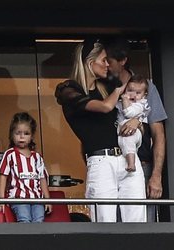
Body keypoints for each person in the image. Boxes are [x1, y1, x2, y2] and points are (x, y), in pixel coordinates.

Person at [55, 39, 147, 222]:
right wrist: (120, 90)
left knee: (137, 220)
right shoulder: (68, 89)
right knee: (105, 222)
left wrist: (137, 122)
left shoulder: (107, 87)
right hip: (101, 160)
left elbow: (136, 120)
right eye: (104, 60)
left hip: (128, 155)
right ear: (90, 62)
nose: (107, 65)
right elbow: (104, 107)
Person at [104, 38, 167, 222]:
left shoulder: (146, 88)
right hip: (109, 165)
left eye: (109, 61)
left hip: (142, 164)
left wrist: (156, 176)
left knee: (139, 229)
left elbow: (158, 133)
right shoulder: (103, 88)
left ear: (122, 61)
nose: (105, 66)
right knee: (108, 229)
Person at [0, 112, 52, 223]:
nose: (22, 137)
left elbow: (42, 179)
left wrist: (48, 200)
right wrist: (1, 199)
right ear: (12, 135)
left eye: (26, 133)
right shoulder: (10, 154)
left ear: (31, 136)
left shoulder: (37, 157)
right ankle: (26, 241)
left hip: (37, 199)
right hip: (18, 198)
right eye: (18, 133)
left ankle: (37, 240)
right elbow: (3, 176)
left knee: (39, 219)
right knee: (24, 218)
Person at [116, 74, 150, 172]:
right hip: (121, 131)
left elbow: (129, 113)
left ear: (144, 95)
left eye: (138, 93)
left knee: (128, 139)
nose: (133, 95)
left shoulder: (141, 104)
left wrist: (125, 100)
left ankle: (131, 163)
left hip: (134, 132)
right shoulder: (119, 102)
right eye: (130, 90)